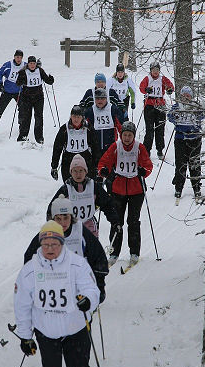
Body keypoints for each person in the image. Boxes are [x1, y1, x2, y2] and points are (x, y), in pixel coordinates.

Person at [14, 220, 100, 367]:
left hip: (75, 329)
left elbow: (92, 289)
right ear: (40, 244)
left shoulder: (77, 264)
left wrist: (87, 301)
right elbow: (22, 304)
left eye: (54, 243)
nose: (50, 248)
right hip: (46, 331)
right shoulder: (30, 270)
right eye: (46, 244)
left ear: (62, 243)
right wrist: (25, 336)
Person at [25, 196, 109, 303]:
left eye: (66, 218)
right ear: (53, 219)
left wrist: (99, 286)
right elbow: (29, 260)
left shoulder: (80, 232)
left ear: (71, 217)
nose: (62, 223)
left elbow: (98, 257)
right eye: (58, 219)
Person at [98, 121, 153, 267]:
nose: (127, 138)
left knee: (133, 221)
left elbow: (148, 165)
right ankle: (114, 252)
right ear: (121, 135)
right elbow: (105, 161)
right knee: (117, 222)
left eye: (129, 135)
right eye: (125, 135)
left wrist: (144, 171)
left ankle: (134, 252)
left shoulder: (139, 147)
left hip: (136, 190)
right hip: (118, 189)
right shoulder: (116, 146)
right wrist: (103, 170)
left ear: (133, 136)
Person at [47, 153, 120, 238]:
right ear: (71, 172)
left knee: (91, 250)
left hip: (89, 227)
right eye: (75, 171)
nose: (78, 174)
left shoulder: (93, 186)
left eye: (81, 170)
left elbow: (107, 204)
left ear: (86, 171)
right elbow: (52, 208)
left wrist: (115, 221)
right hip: (70, 227)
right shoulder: (66, 189)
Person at [167, 85, 205, 201]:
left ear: (191, 96)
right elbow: (169, 116)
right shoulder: (177, 106)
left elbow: (203, 114)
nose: (186, 97)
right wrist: (174, 117)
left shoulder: (195, 106)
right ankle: (178, 188)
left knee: (194, 163)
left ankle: (196, 187)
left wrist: (198, 116)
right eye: (184, 95)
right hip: (180, 139)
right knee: (180, 164)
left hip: (194, 138)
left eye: (188, 95)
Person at [51, 104, 100, 182]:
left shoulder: (89, 128)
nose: (76, 120)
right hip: (68, 158)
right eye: (74, 116)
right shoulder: (64, 129)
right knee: (69, 184)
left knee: (88, 183)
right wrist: (54, 166)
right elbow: (57, 147)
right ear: (70, 116)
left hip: (85, 157)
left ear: (82, 118)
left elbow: (95, 146)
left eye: (78, 117)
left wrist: (96, 165)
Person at [139, 60, 174, 159]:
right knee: (149, 129)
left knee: (160, 129)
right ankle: (147, 150)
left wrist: (169, 89)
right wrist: (146, 89)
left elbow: (170, 85)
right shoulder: (148, 78)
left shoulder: (162, 79)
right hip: (149, 105)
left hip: (160, 106)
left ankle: (160, 150)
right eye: (153, 70)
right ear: (150, 70)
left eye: (157, 70)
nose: (155, 72)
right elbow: (141, 87)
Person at [16, 56, 54, 144]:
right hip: (26, 98)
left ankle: (39, 137)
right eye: (30, 63)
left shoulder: (40, 71)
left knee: (39, 117)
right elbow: (18, 83)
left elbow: (47, 80)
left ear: (36, 64)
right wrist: (20, 80)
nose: (32, 65)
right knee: (26, 118)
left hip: (38, 98)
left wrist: (51, 80)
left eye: (34, 63)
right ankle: (23, 136)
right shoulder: (23, 72)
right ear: (28, 64)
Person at [0, 49, 25, 134]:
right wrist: (0, 84)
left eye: (20, 57)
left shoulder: (25, 65)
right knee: (0, 109)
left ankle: (22, 128)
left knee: (22, 110)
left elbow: (33, 70)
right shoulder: (7, 65)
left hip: (19, 92)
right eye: (17, 57)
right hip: (7, 91)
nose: (19, 59)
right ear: (14, 57)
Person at [84, 88, 125, 159]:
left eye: (102, 98)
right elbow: (84, 128)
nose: (100, 101)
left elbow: (120, 127)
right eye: (97, 98)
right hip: (95, 146)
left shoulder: (113, 109)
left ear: (106, 99)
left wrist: (125, 142)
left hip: (110, 144)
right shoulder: (90, 111)